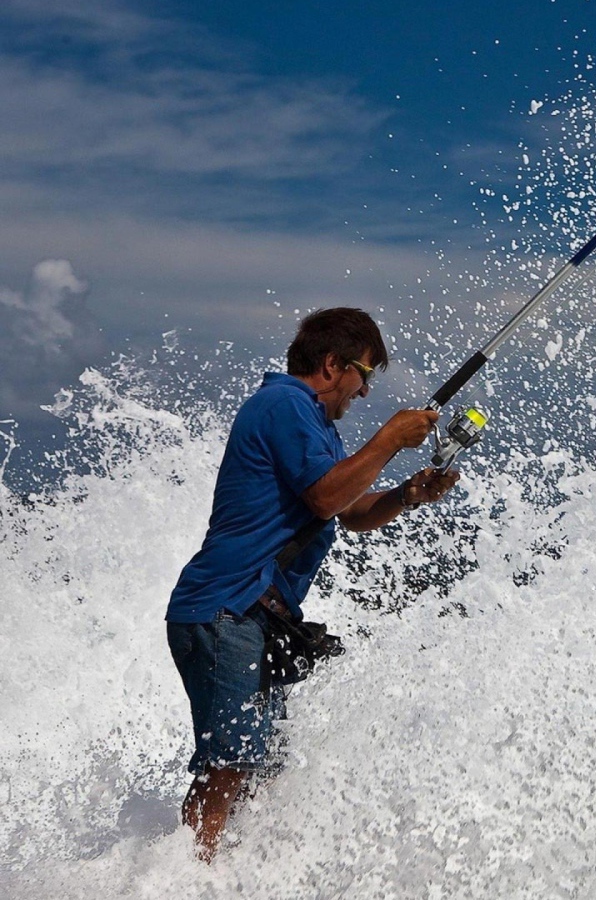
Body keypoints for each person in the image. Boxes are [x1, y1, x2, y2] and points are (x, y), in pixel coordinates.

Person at [165, 308, 459, 861]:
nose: (366, 391)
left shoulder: (314, 425)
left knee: (256, 770)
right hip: (226, 609)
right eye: (364, 375)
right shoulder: (285, 405)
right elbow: (326, 498)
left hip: (255, 619)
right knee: (228, 765)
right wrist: (390, 439)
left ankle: (216, 872)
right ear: (332, 364)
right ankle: (186, 879)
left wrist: (407, 495)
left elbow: (348, 509)